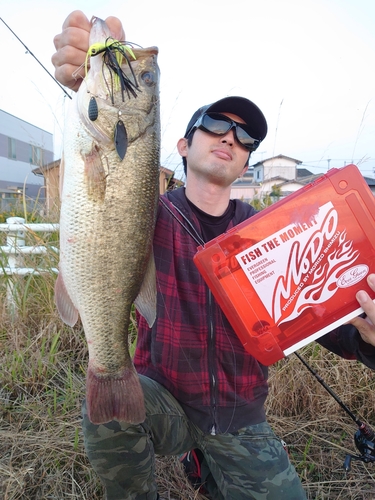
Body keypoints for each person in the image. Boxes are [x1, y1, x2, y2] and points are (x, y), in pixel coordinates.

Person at [52, 11, 375, 500]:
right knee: (108, 415)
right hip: (164, 400)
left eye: (246, 138)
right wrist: (91, 70)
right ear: (182, 144)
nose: (231, 137)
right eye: (217, 124)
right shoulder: (146, 212)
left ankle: (206, 463)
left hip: (239, 417)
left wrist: (369, 337)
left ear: (247, 160)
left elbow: (320, 316)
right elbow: (106, 171)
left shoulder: (269, 233)